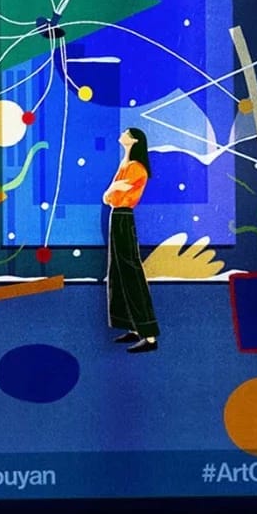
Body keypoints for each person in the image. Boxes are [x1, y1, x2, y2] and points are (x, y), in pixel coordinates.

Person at [104, 127, 160, 353]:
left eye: (127, 133)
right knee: (117, 270)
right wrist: (112, 190)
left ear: (134, 140)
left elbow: (113, 195)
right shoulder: (125, 165)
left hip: (124, 216)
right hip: (116, 215)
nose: (123, 134)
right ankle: (133, 326)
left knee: (130, 269)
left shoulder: (136, 168)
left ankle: (149, 335)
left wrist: (113, 190)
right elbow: (109, 197)